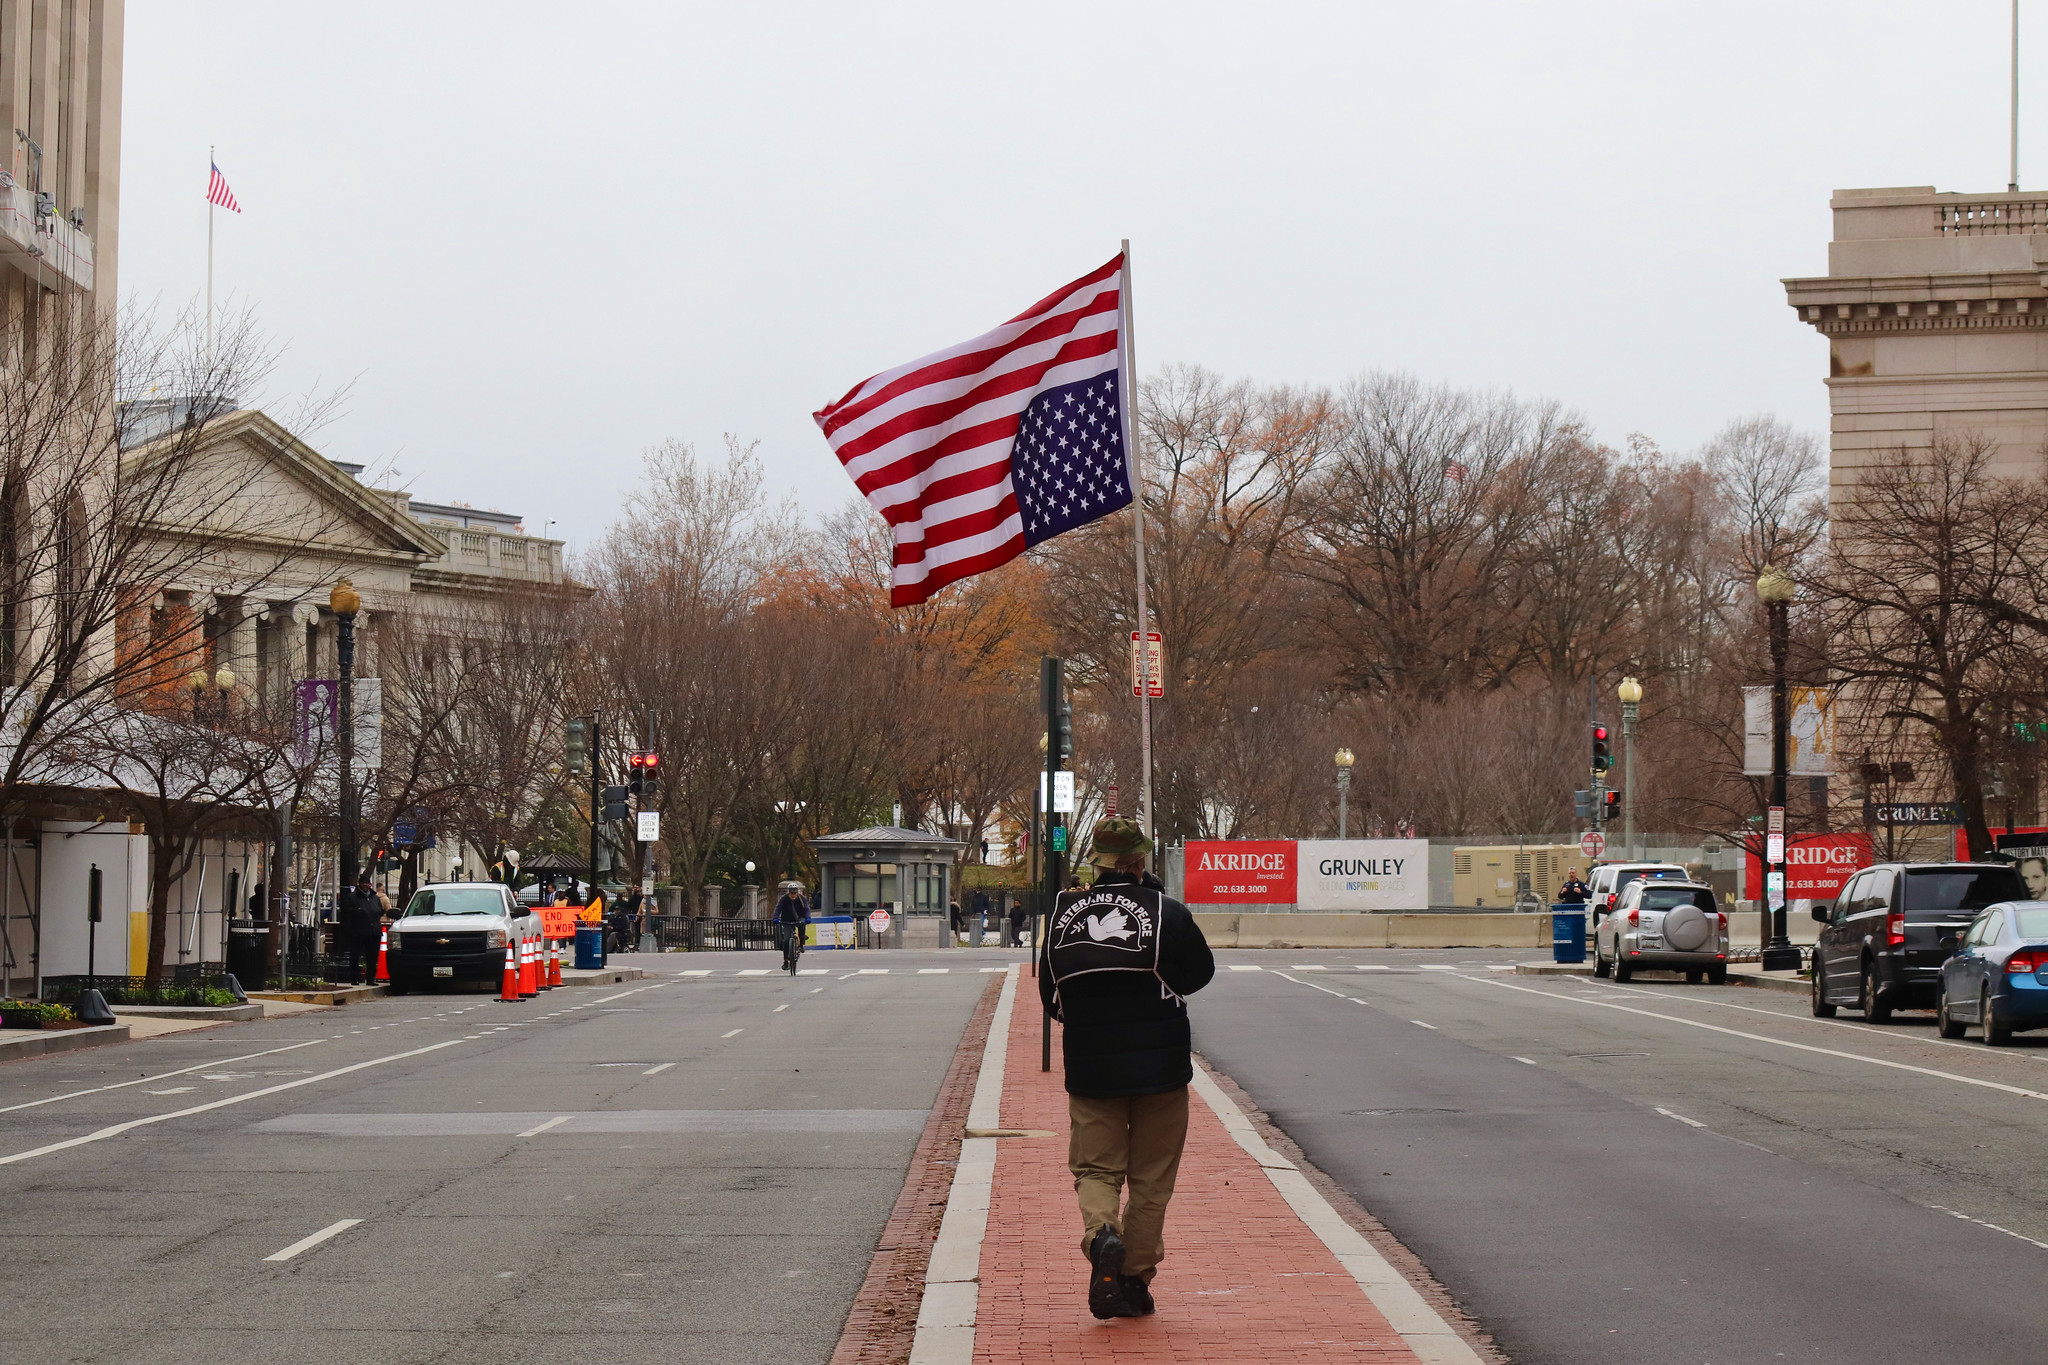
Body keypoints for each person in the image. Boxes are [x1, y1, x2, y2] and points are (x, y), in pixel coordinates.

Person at [1039, 816, 1214, 1320]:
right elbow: (1200, 973)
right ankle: (1135, 1279)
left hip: (1091, 1071)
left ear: (1096, 861)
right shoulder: (1166, 912)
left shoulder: (1063, 914)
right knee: (1152, 1177)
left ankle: (1101, 1238)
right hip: (1162, 1068)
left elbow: (1051, 996)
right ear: (1139, 861)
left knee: (1095, 1169)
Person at [337, 872, 382, 985]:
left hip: (373, 932)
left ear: (370, 885)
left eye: (367, 883)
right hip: (358, 932)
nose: (365, 885)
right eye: (363, 883)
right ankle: (354, 979)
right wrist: (357, 911)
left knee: (372, 958)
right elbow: (345, 910)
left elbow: (379, 911)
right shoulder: (352, 897)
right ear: (359, 884)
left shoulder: (375, 898)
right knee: (355, 956)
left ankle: (370, 979)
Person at [773, 882, 811, 969]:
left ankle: (801, 944)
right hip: (786, 919)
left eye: (795, 893)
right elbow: (778, 908)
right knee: (786, 940)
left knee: (802, 925)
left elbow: (807, 908)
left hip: (799, 918)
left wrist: (808, 917)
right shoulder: (784, 899)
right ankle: (786, 961)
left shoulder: (802, 898)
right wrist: (775, 917)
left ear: (797, 892)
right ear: (789, 892)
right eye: (791, 893)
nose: (793, 895)